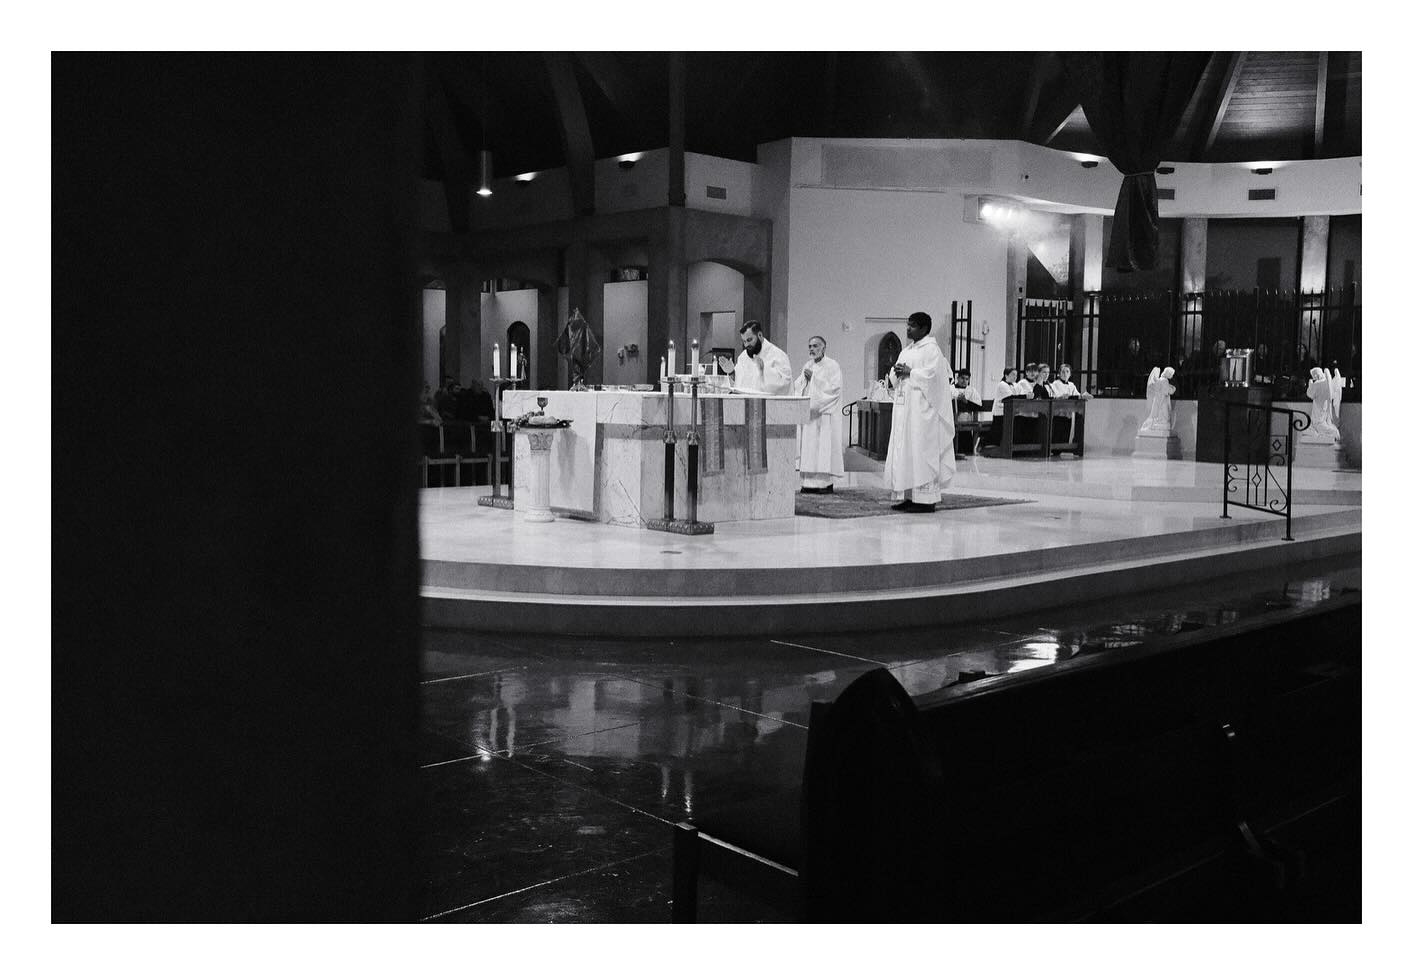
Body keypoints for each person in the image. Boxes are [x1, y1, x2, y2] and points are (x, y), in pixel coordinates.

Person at [883, 312, 955, 512]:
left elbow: (935, 378)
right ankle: (908, 495)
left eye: (912, 325)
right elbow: (896, 376)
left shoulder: (932, 350)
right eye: (907, 324)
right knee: (906, 452)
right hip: (905, 410)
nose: (908, 329)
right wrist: (896, 372)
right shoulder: (907, 350)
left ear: (924, 328)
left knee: (920, 452)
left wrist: (910, 372)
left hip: (922, 413)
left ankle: (926, 500)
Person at [792, 335, 845, 493]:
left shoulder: (832, 365)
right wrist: (805, 381)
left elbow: (835, 389)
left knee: (822, 449)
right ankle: (807, 483)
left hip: (823, 415)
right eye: (810, 346)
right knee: (809, 449)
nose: (812, 349)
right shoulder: (807, 365)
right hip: (809, 414)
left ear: (824, 348)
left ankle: (823, 484)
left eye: (815, 346)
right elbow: (799, 385)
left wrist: (814, 379)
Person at [729, 320, 792, 394]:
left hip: (767, 401)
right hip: (746, 400)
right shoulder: (743, 357)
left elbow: (785, 385)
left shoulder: (778, 355)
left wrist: (764, 371)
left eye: (749, 340)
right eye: (744, 341)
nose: (746, 345)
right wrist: (731, 372)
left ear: (760, 335)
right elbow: (739, 384)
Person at [555, 308, 602, 390]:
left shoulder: (582, 331)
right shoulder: (573, 331)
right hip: (576, 353)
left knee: (578, 359)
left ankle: (578, 380)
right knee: (576, 360)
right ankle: (577, 380)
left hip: (581, 351)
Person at [951, 368, 982, 456]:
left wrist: (966, 402)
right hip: (952, 418)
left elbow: (978, 406)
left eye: (967, 379)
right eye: (962, 378)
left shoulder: (972, 390)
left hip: (967, 418)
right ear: (957, 378)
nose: (964, 381)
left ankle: (968, 449)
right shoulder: (951, 388)